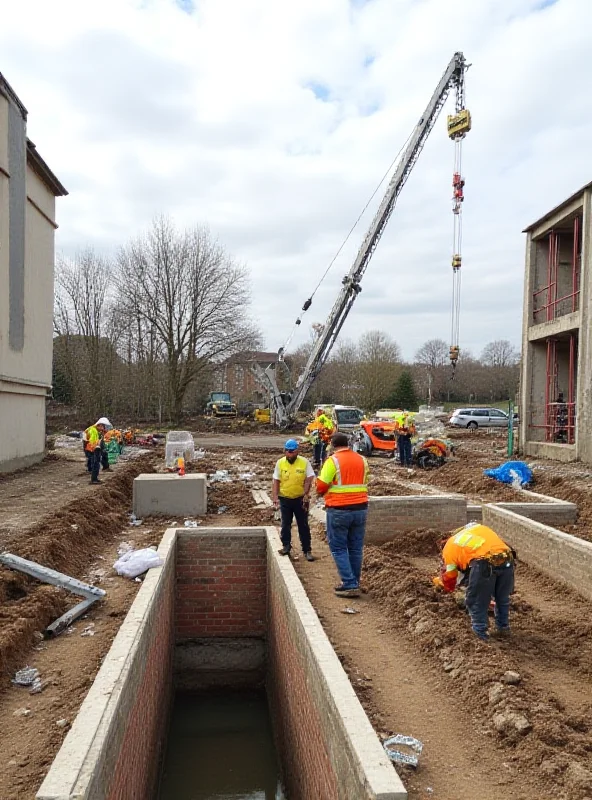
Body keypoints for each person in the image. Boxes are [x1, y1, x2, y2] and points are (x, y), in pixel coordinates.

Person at [432, 522, 515, 641]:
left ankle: (480, 633)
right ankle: (503, 627)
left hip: (484, 564)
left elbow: (450, 575)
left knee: (476, 600)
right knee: (502, 597)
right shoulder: (477, 528)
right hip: (508, 559)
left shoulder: (449, 546)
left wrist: (447, 587)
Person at [317, 432, 369, 598]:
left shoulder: (333, 461)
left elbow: (321, 485)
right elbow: (364, 480)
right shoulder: (362, 459)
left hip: (339, 509)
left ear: (332, 445)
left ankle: (349, 583)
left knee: (339, 548)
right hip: (360, 508)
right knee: (355, 548)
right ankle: (354, 581)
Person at [272, 439, 315, 562]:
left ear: (297, 451)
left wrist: (306, 493)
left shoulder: (304, 462)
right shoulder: (280, 463)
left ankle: (307, 550)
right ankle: (286, 546)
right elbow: (276, 481)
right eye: (287, 452)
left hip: (300, 499)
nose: (289, 454)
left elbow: (309, 477)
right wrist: (275, 497)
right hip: (285, 498)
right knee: (285, 524)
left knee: (303, 525)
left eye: (292, 452)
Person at [84, 418, 111, 484]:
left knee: (95, 463)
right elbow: (92, 442)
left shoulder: (94, 429)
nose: (102, 429)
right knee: (96, 464)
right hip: (92, 449)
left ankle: (94, 478)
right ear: (99, 425)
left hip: (90, 448)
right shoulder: (93, 431)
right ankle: (94, 480)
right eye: (102, 427)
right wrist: (98, 448)